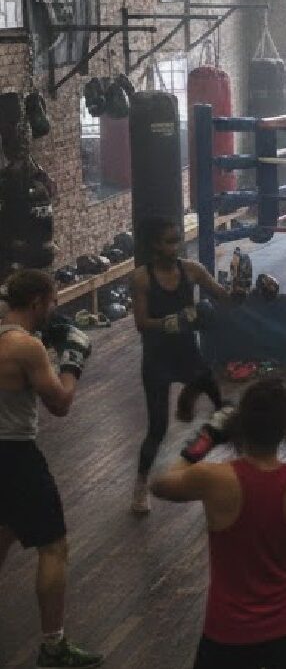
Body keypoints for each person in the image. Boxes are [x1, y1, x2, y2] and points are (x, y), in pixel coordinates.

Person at [150, 378, 286, 669]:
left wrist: (207, 436)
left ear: (240, 426)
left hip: (229, 634)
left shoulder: (214, 479)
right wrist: (282, 535)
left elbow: (159, 482)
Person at [0, 269, 101, 667]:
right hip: (15, 455)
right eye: (54, 301)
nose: (56, 308)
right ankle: (53, 645)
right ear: (39, 301)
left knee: (4, 532)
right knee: (53, 546)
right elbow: (60, 404)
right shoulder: (27, 347)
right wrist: (72, 361)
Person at [130, 220, 236, 514]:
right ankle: (140, 486)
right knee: (158, 428)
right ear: (154, 245)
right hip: (157, 360)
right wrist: (179, 319)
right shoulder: (142, 278)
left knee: (225, 410)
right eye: (168, 241)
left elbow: (223, 298)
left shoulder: (192, 270)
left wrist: (241, 288)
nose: (174, 247)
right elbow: (141, 324)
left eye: (177, 241)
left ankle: (246, 473)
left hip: (188, 355)